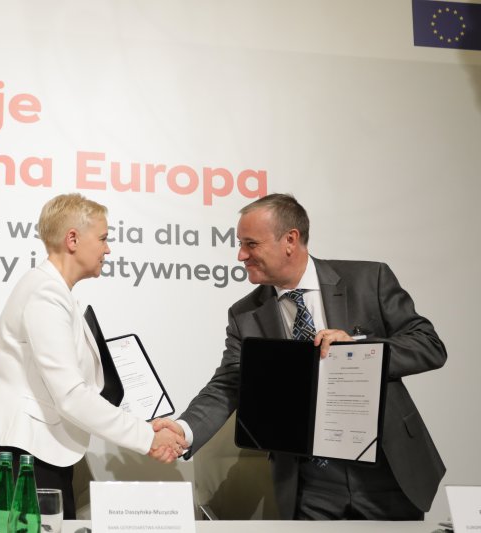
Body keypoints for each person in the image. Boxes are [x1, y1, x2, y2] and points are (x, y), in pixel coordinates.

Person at [154, 193, 446, 520]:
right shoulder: (245, 315)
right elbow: (228, 385)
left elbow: (428, 345)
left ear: (290, 240)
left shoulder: (368, 279)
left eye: (251, 244)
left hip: (387, 468)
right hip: (311, 483)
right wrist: (183, 429)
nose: (241, 255)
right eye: (240, 244)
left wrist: (360, 349)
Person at [0, 193, 187, 519]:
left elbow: (83, 390)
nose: (108, 249)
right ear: (72, 239)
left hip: (34, 453)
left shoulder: (55, 292)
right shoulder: (45, 294)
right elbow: (71, 396)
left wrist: (144, 425)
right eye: (103, 238)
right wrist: (146, 438)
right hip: (17, 459)